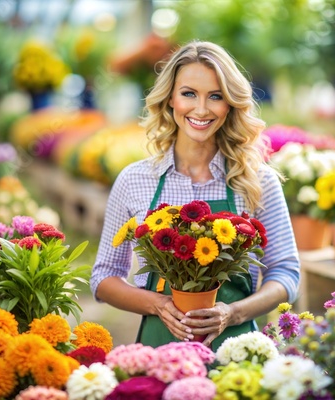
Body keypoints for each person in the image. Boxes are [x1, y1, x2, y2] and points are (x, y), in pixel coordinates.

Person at [91, 40, 300, 350]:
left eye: (215, 96)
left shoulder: (257, 180)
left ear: (230, 104)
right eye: (189, 93)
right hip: (160, 349)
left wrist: (232, 312)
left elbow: (286, 273)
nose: (201, 109)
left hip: (237, 348)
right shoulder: (135, 180)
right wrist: (158, 305)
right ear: (171, 99)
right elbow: (104, 277)